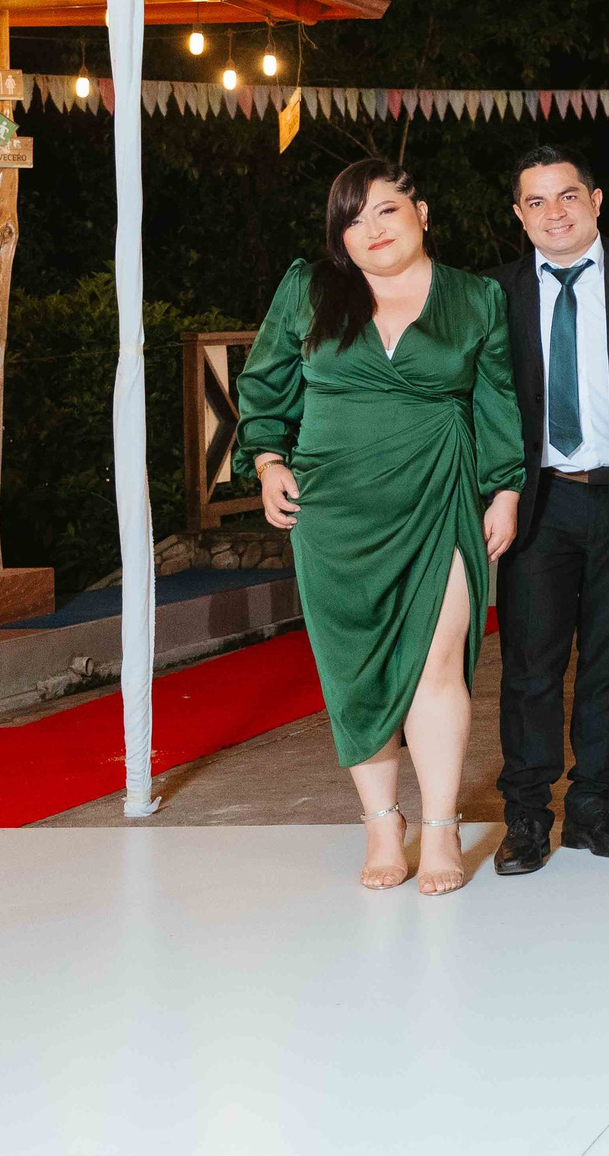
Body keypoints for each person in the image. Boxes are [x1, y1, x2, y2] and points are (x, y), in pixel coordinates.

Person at [238, 159, 522, 896]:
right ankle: (381, 822)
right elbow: (266, 381)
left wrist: (506, 488)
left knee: (436, 661)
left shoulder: (476, 296)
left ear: (421, 212)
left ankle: (440, 827)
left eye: (386, 211)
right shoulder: (309, 288)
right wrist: (268, 460)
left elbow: (496, 399)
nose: (370, 230)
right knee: (356, 672)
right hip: (334, 508)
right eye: (352, 219)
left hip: (440, 495)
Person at [484, 145, 609, 877]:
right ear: (518, 214)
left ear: (597, 200)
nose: (554, 212)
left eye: (567, 196)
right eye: (536, 202)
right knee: (530, 668)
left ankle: (594, 809)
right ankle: (528, 817)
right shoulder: (495, 292)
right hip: (537, 503)